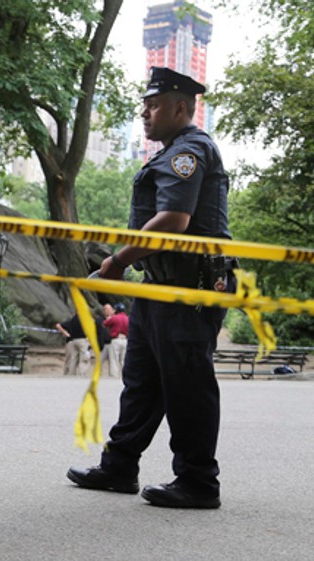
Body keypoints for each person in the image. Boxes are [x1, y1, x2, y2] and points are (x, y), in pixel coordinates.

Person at [67, 67, 235, 509]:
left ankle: (198, 481)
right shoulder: (170, 153)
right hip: (160, 285)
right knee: (142, 382)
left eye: (154, 105)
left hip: (190, 287)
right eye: (144, 105)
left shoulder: (190, 151)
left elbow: (173, 221)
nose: (144, 113)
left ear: (180, 108)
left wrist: (118, 261)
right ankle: (119, 465)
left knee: (187, 384)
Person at [102, 303, 129, 377]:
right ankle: (125, 376)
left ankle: (114, 376)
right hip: (125, 340)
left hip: (116, 339)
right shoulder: (127, 318)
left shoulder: (114, 317)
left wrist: (111, 315)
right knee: (123, 360)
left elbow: (104, 324)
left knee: (114, 359)